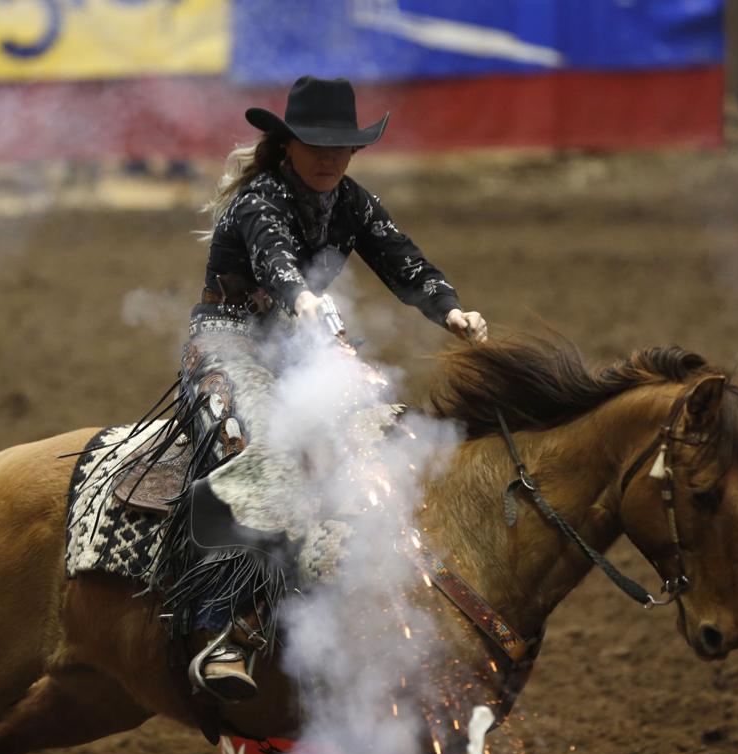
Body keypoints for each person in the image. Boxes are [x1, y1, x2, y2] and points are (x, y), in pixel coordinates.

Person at [149, 76, 488, 703]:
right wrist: (300, 297)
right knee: (253, 450)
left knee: (384, 440)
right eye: (317, 144)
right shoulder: (259, 200)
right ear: (287, 145)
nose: (331, 157)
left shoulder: (354, 202)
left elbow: (402, 259)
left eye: (342, 147)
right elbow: (274, 258)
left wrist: (450, 310)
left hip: (303, 348)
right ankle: (224, 625)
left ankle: (375, 606)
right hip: (228, 344)